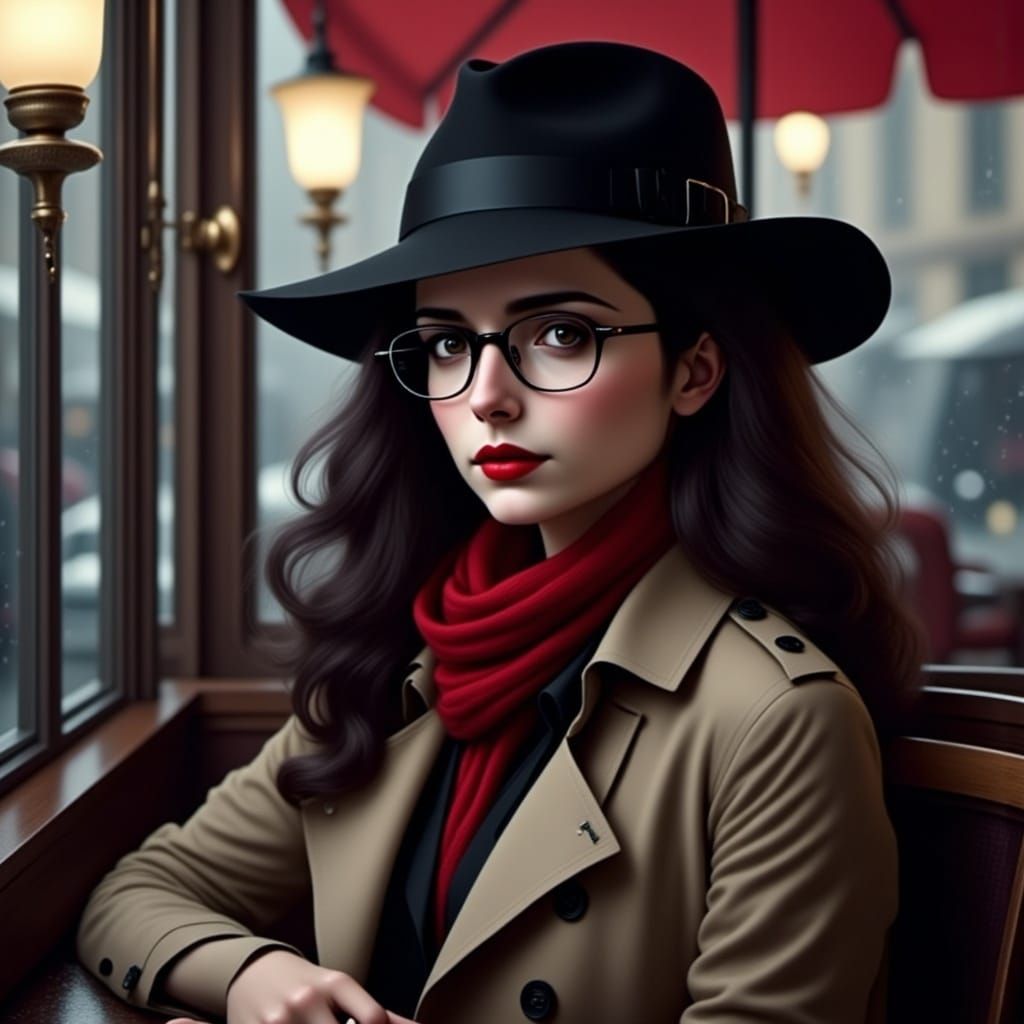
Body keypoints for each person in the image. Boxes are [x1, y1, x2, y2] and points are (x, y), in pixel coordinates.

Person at [76, 40, 926, 1024]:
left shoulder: (777, 718)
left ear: (695, 371)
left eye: (559, 333)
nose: (486, 397)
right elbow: (133, 897)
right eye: (445, 343)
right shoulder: (406, 658)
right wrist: (262, 980)